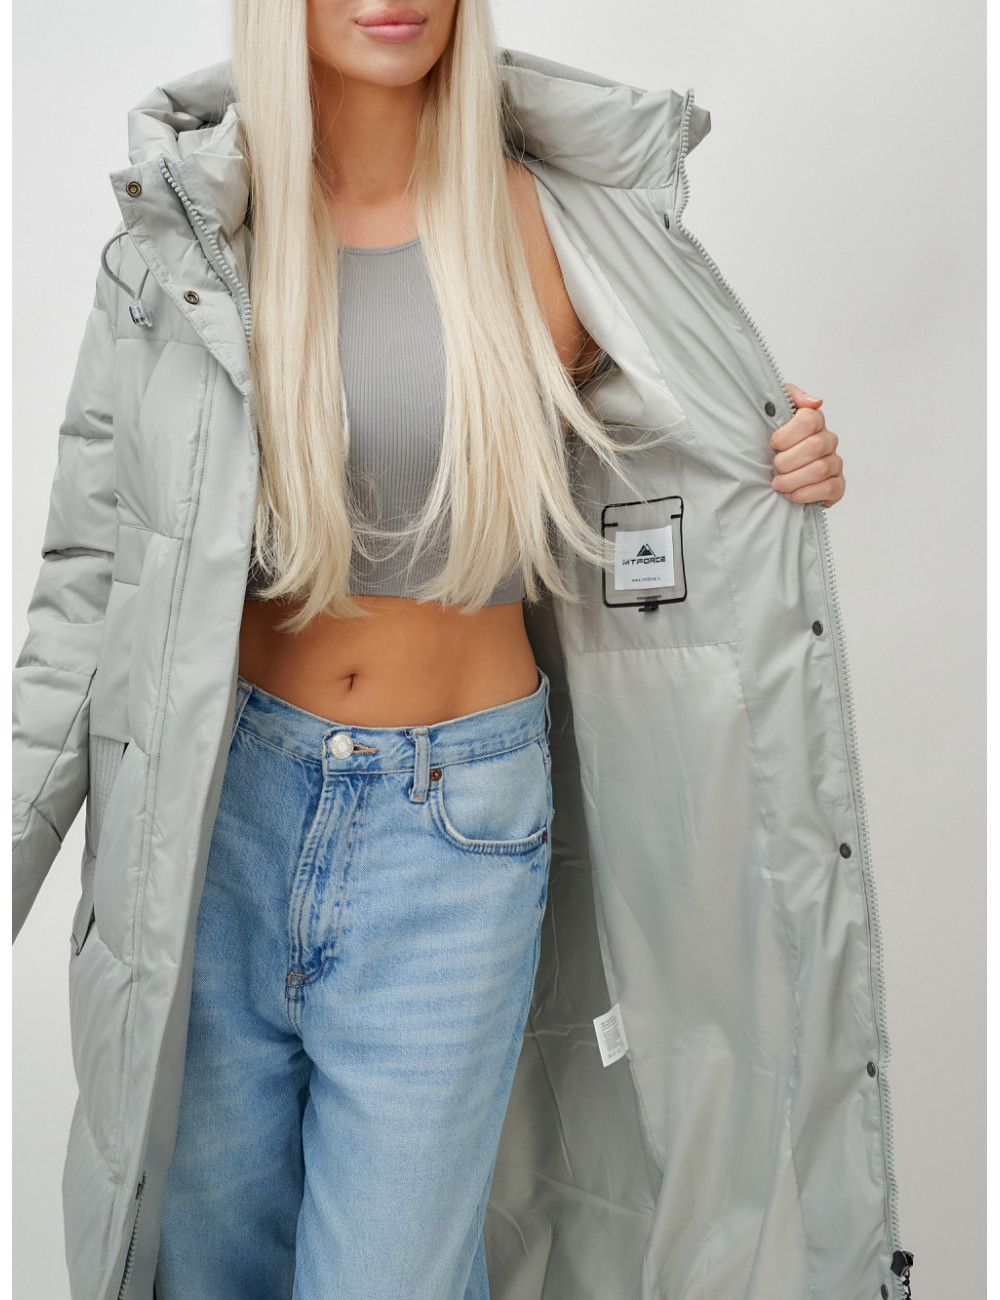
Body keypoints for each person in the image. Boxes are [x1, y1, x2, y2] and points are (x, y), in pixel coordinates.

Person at [13, 5, 872, 1300]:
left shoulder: (566, 227)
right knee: (207, 1269)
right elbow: (90, 572)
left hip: (456, 831)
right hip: (214, 818)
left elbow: (683, 469)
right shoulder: (184, 234)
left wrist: (779, 468)